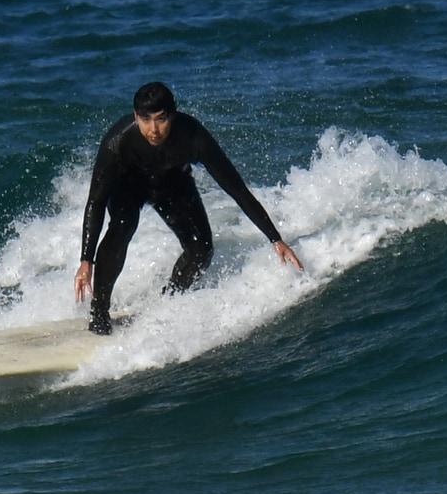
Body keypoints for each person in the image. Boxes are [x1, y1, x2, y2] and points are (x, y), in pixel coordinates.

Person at [74, 81, 303, 334]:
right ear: (135, 115)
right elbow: (95, 200)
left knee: (201, 249)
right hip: (128, 186)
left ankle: (168, 302)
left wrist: (275, 239)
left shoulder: (193, 136)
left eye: (161, 119)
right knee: (123, 226)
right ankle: (99, 312)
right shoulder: (117, 141)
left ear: (172, 114)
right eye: (146, 120)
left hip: (172, 185)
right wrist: (86, 260)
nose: (154, 130)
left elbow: (236, 188)